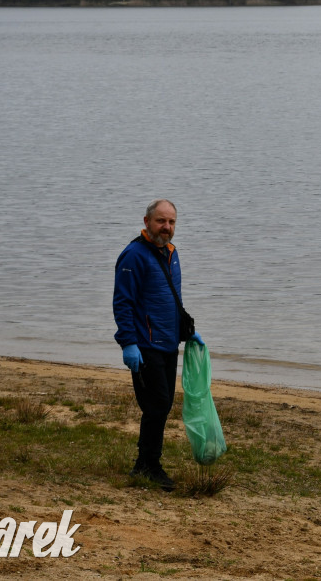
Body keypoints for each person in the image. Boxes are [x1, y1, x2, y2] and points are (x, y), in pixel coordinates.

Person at [113, 199, 204, 491]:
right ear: (147, 221)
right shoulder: (133, 256)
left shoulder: (170, 253)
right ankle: (149, 465)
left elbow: (170, 299)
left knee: (161, 406)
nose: (166, 227)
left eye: (172, 222)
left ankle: (145, 464)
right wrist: (129, 343)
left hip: (168, 343)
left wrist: (186, 331)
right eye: (161, 221)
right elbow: (123, 303)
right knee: (157, 405)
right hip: (145, 345)